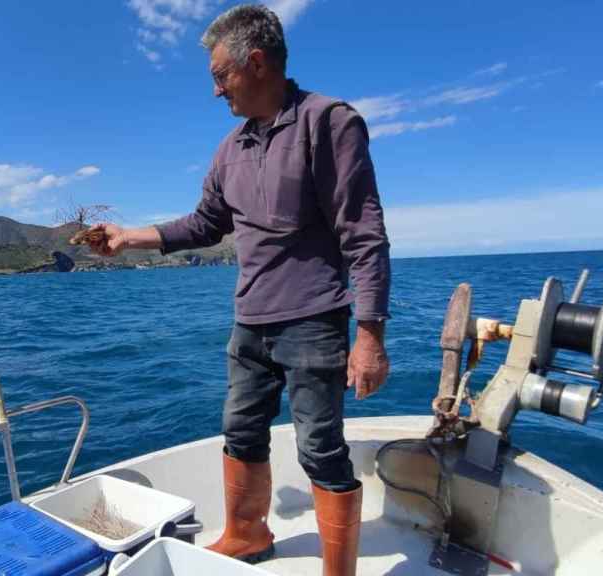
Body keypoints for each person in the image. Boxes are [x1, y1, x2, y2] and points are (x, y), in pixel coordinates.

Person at [88, 4, 389, 575]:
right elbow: (204, 224)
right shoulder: (230, 149)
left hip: (313, 319)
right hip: (249, 322)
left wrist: (370, 335)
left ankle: (338, 571)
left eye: (219, 76)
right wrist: (128, 237)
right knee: (240, 432)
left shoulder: (329, 123)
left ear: (255, 62)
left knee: (319, 449)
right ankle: (248, 536)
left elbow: (364, 234)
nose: (215, 91)